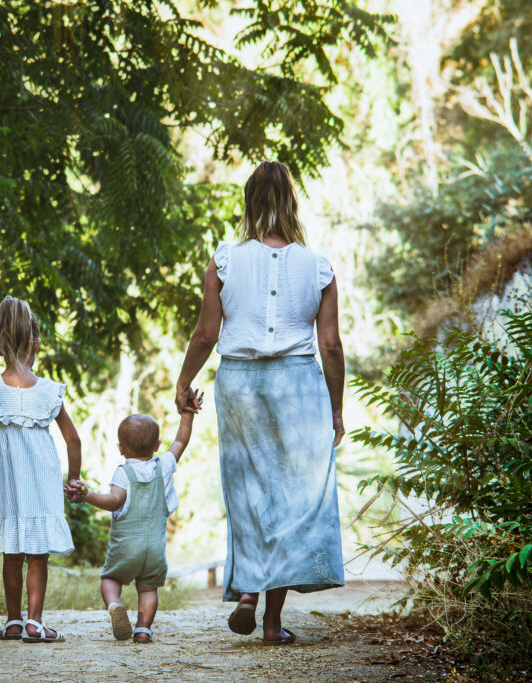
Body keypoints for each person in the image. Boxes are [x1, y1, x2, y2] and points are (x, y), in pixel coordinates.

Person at [174, 160, 346, 645]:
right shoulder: (318, 266)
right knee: (291, 497)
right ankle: (271, 623)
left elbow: (206, 334)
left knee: (248, 491)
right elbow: (331, 346)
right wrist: (336, 409)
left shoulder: (225, 260)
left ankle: (248, 588)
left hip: (240, 384)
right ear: (292, 202)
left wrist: (184, 381)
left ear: (249, 202)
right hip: (299, 386)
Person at [0, 296, 82, 643]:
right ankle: (35, 623)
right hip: (43, 486)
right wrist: (74, 478)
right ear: (37, 343)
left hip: (8, 488)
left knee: (12, 552)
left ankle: (12, 621)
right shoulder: (49, 391)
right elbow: (73, 440)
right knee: (38, 555)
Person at [67, 393, 202, 644]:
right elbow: (181, 441)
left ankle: (115, 605)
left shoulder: (123, 473)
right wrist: (188, 413)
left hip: (126, 548)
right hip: (155, 550)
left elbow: (113, 501)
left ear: (120, 448)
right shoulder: (164, 465)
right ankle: (143, 629)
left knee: (110, 578)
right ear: (157, 445)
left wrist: (87, 494)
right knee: (148, 588)